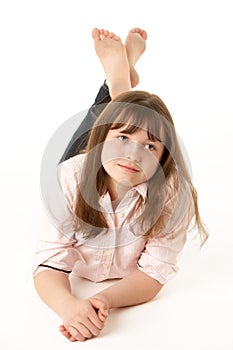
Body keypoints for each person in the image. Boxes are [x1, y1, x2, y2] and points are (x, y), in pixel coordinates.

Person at [33, 28, 208, 343]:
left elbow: (155, 273)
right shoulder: (70, 175)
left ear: (163, 159)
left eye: (151, 147)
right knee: (101, 128)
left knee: (124, 123)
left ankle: (120, 83)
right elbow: (49, 262)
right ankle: (117, 80)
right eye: (124, 138)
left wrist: (106, 300)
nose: (134, 155)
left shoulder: (170, 193)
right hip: (91, 164)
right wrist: (68, 307)